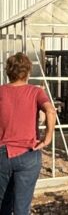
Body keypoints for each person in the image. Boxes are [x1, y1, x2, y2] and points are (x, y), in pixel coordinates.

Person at [0, 52, 56, 214]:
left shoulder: (1, 91)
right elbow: (51, 111)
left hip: (3, 154)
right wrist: (47, 138)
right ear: (28, 72)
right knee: (22, 206)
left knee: (3, 203)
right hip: (29, 153)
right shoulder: (36, 92)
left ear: (8, 72)